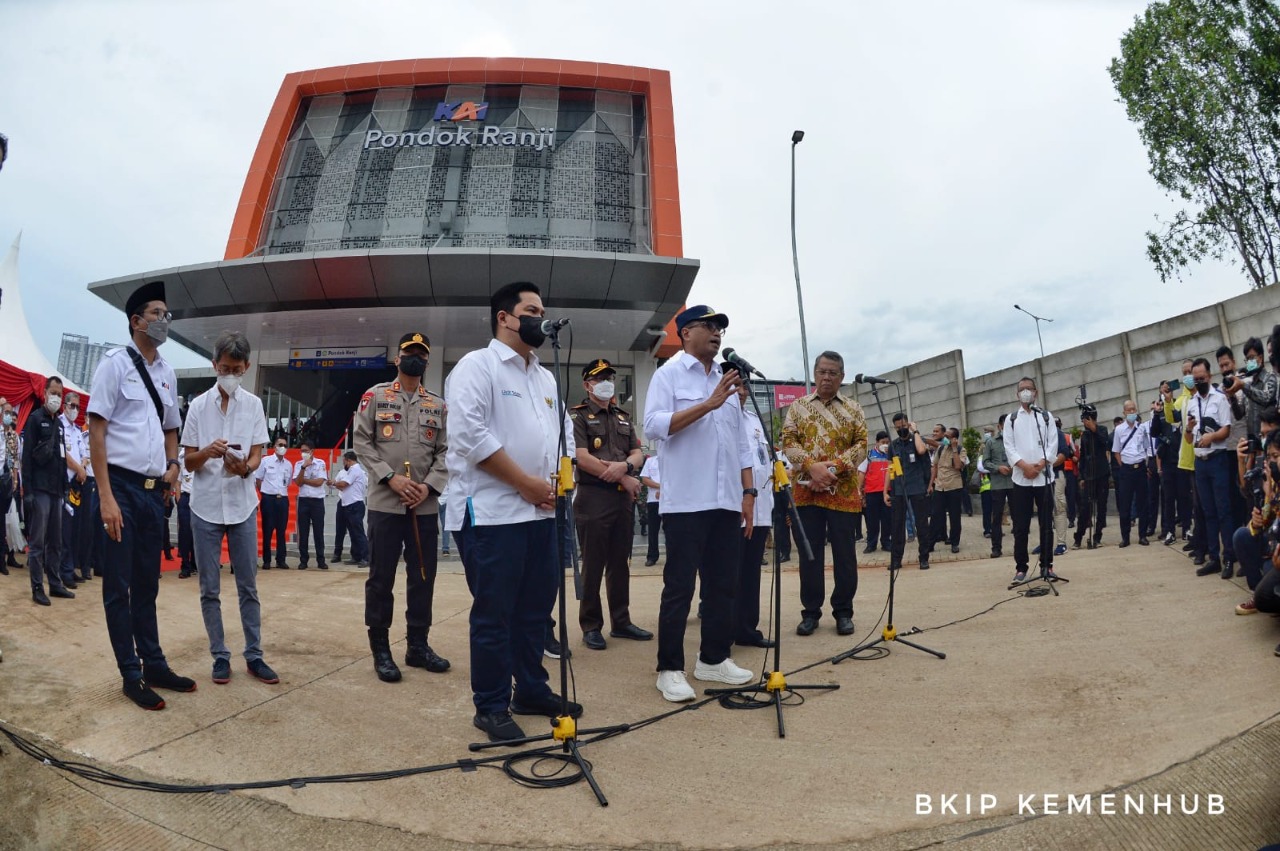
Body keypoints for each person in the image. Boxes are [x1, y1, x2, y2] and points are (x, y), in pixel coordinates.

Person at [445, 283, 581, 741]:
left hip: (541, 515)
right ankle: (491, 705)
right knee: (495, 614)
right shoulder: (476, 366)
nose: (540, 317)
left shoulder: (544, 377)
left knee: (534, 612)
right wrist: (524, 483)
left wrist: (563, 485)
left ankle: (531, 690)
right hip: (492, 515)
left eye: (543, 309)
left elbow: (566, 436)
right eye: (531, 310)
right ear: (505, 317)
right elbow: (469, 436)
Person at [88, 280, 196, 710]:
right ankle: (131, 674)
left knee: (148, 584)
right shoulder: (114, 365)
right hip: (122, 489)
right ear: (136, 321)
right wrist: (106, 497)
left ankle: (154, 663)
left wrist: (173, 466)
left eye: (166, 314)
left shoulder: (166, 371)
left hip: (155, 493)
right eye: (156, 314)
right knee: (119, 586)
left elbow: (171, 427)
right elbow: (97, 431)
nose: (164, 321)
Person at [644, 304, 756, 702]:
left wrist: (748, 494)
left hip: (726, 501)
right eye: (708, 326)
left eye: (720, 328)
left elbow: (740, 443)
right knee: (679, 588)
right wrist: (706, 404)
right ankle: (669, 668)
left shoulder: (728, 382)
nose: (716, 333)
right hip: (686, 501)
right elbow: (654, 425)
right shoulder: (669, 374)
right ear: (685, 332)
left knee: (723, 586)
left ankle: (713, 658)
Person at [181, 331, 278, 686]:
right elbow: (188, 461)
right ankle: (220, 656)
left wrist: (247, 468)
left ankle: (254, 655)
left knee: (248, 585)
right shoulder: (197, 406)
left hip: (242, 503)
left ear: (247, 367)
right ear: (214, 365)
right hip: (205, 505)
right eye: (224, 368)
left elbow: (258, 452)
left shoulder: (253, 404)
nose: (230, 375)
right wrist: (207, 452)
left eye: (236, 369)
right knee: (210, 587)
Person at [353, 332, 451, 682]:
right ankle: (381, 649)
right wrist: (390, 478)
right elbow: (362, 442)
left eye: (421, 354)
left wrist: (427, 487)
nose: (415, 359)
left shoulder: (436, 404)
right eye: (409, 352)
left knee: (423, 577)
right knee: (381, 578)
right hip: (385, 503)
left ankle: (417, 646)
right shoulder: (375, 396)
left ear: (426, 361)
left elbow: (444, 452)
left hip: (423, 506)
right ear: (397, 358)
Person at [782, 351, 867, 636]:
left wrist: (832, 468)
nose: (826, 377)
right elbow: (788, 443)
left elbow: (862, 445)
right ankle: (810, 612)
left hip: (843, 491)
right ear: (814, 374)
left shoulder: (854, 408)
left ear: (841, 376)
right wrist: (811, 468)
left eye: (832, 372)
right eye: (822, 371)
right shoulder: (797, 407)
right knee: (809, 556)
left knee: (845, 556)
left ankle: (843, 612)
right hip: (807, 493)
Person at [569, 358, 649, 651]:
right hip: (593, 497)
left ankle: (622, 621)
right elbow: (581, 457)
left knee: (620, 562)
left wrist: (626, 469)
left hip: (621, 499)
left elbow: (637, 453)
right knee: (593, 564)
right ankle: (591, 625)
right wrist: (622, 474)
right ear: (587, 384)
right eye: (600, 378)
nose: (606, 382)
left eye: (610, 377)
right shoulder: (577, 417)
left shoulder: (623, 416)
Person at [22, 376, 74, 605]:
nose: (56, 397)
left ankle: (54, 584)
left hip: (56, 491)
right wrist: (29, 491)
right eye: (53, 393)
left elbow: (62, 458)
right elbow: (26, 460)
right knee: (38, 543)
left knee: (56, 541)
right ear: (44, 393)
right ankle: (37, 587)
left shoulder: (59, 425)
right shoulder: (34, 420)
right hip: (40, 489)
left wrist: (65, 486)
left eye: (59, 394)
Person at [1002, 376, 1059, 582]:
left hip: (1044, 478)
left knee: (1046, 524)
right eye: (1022, 389)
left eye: (1030, 389)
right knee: (1021, 527)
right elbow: (1009, 446)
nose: (1026, 392)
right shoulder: (1011, 419)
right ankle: (1021, 567)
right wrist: (1025, 466)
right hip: (1021, 480)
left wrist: (1041, 464)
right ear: (1017, 395)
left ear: (1036, 392)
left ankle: (1047, 565)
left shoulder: (1045, 416)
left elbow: (1053, 443)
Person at [733, 379, 776, 649]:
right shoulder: (720, 418)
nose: (741, 392)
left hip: (760, 508)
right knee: (730, 572)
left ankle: (748, 629)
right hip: (735, 507)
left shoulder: (753, 419)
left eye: (744, 387)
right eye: (735, 386)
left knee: (751, 572)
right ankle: (724, 631)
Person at [1186, 357, 1237, 577]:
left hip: (1217, 459)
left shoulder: (1219, 399)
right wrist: (1189, 429)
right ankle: (1214, 557)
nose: (1199, 382)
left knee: (1224, 510)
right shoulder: (1191, 402)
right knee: (1208, 512)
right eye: (1196, 379)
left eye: (1202, 378)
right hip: (1200, 462)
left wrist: (1211, 437)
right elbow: (1188, 440)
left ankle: (1229, 558)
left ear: (1210, 376)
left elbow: (1227, 430)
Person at [887, 413, 933, 569]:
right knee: (897, 526)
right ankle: (896, 560)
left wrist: (916, 432)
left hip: (917, 488)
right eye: (898, 428)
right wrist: (885, 490)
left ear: (909, 425)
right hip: (899, 489)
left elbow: (921, 451)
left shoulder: (917, 440)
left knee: (921, 525)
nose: (901, 430)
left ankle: (924, 558)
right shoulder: (893, 446)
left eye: (903, 426)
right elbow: (890, 468)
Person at [58, 391, 91, 588]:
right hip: (65, 482)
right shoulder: (59, 425)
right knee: (66, 530)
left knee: (76, 528)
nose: (75, 410)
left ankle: (71, 567)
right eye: (72, 406)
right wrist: (78, 468)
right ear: (65, 405)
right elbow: (65, 455)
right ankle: (64, 571)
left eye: (78, 407)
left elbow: (84, 454)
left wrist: (83, 467)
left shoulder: (78, 430)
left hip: (79, 483)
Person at [1111, 400, 1153, 548]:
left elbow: (1147, 447)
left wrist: (1145, 464)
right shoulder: (1119, 430)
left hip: (1140, 468)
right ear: (1124, 413)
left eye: (1133, 409)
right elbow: (1116, 451)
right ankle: (1125, 537)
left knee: (1143, 503)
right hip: (1126, 470)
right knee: (1125, 504)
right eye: (1128, 410)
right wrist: (1124, 465)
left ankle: (1142, 536)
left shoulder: (1141, 428)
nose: (1131, 412)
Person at [1072, 405, 1111, 549]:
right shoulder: (1085, 436)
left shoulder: (1102, 430)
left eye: (1085, 419)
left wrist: (1093, 428)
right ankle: (1078, 537)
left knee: (1101, 507)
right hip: (1089, 475)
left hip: (1102, 474)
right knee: (1084, 508)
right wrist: (1081, 477)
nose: (1083, 422)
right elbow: (1082, 457)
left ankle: (1097, 536)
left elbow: (1105, 442)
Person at [255, 437, 292, 569]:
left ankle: (281, 559)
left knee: (281, 531)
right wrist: (265, 492)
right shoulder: (266, 461)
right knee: (267, 530)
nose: (282, 447)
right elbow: (258, 479)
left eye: (285, 445)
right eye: (280, 444)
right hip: (268, 499)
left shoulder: (288, 464)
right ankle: (266, 560)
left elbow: (287, 483)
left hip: (282, 499)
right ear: (274, 446)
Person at [930, 426, 967, 555]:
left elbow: (958, 466)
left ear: (954, 439)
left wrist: (955, 448)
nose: (945, 438)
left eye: (948, 437)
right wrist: (931, 484)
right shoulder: (940, 449)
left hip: (954, 487)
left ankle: (954, 542)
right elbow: (934, 467)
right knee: (935, 516)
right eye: (945, 436)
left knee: (955, 517)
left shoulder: (961, 450)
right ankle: (931, 543)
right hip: (940, 487)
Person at [982, 414, 1014, 558]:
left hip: (1015, 483)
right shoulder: (991, 442)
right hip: (998, 484)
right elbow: (985, 462)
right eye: (1005, 425)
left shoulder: (1016, 440)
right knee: (997, 517)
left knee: (1019, 516)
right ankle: (996, 548)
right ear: (999, 426)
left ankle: (1020, 546)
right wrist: (998, 468)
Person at [330, 450, 369, 567]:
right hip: (349, 504)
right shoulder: (354, 470)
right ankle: (356, 556)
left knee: (358, 532)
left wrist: (333, 483)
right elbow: (343, 487)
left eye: (344, 461)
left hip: (354, 504)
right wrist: (335, 484)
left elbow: (343, 484)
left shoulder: (355, 470)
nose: (344, 464)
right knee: (353, 532)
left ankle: (366, 557)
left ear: (348, 460)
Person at [292, 440, 327, 570]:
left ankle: (321, 560)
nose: (303, 453)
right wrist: (303, 467)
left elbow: (319, 482)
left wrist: (305, 480)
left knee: (318, 531)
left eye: (305, 451)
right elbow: (298, 483)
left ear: (312, 451)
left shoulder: (320, 463)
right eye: (302, 451)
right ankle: (303, 560)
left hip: (317, 501)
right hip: (304, 501)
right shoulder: (298, 464)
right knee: (303, 531)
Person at [859, 431, 892, 554]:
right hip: (872, 492)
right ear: (877, 442)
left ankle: (886, 542)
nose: (886, 445)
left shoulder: (891, 455)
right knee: (872, 520)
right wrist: (859, 490)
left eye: (887, 443)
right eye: (883, 442)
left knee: (887, 519)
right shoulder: (868, 455)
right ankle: (871, 544)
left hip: (888, 492)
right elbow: (861, 473)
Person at [0, 399, 19, 572]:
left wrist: (14, 480)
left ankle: (1, 561)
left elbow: (14, 460)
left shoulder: (13, 436)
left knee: (2, 522)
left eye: (9, 413)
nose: (7, 415)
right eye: (5, 412)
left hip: (5, 482)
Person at [175, 448, 195, 578]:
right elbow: (177, 482)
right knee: (185, 534)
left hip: (200, 499)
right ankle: (185, 566)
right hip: (186, 498)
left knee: (198, 533)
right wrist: (179, 500)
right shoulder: (182, 457)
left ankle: (195, 564)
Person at [640, 452, 662, 566]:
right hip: (653, 500)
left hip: (670, 501)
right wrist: (660, 487)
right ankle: (652, 556)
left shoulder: (674, 459)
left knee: (672, 531)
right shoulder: (650, 461)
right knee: (653, 530)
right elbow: (644, 479)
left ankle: (674, 557)